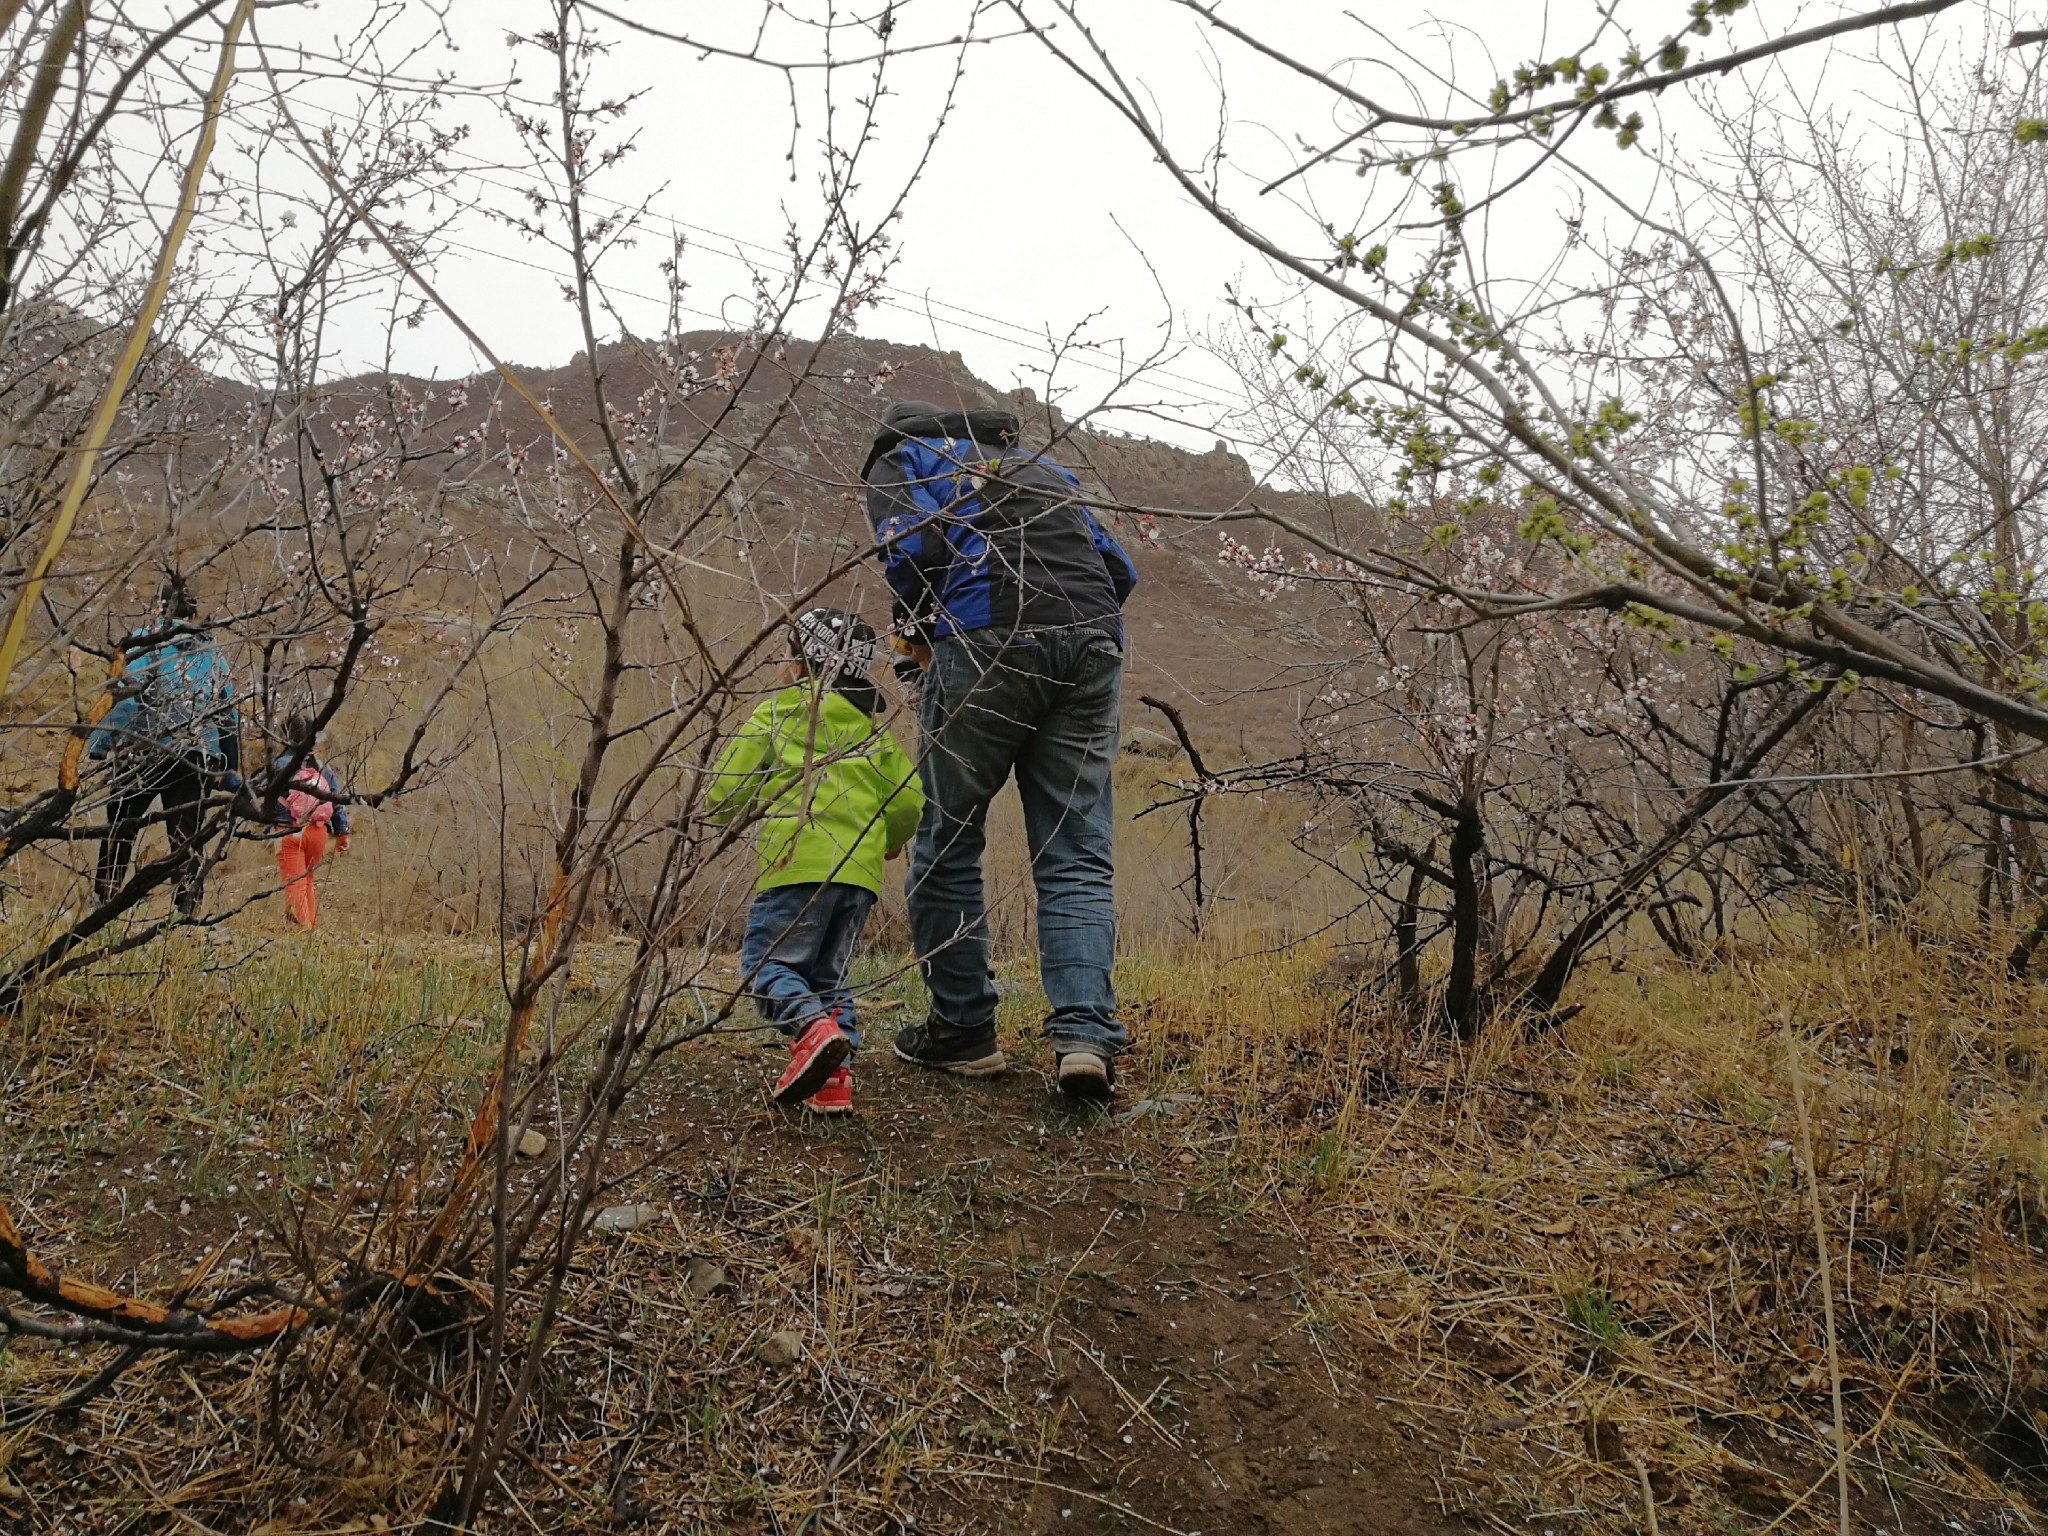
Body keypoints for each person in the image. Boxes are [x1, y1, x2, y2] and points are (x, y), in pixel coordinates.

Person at [863, 400, 1138, 1101]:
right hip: (1092, 638)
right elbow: (1119, 571)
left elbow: (914, 550)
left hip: (986, 640)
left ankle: (963, 1030)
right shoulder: (1044, 471)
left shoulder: (905, 456)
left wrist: (921, 632)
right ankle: (1084, 1036)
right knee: (1075, 850)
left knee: (947, 838)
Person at [706, 608, 924, 1115]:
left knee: (768, 968)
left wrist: (729, 812)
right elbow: (911, 800)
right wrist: (888, 840)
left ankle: (813, 1029)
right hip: (858, 877)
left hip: (794, 866)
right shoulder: (873, 733)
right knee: (828, 976)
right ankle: (832, 1083)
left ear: (801, 665)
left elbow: (724, 793)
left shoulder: (778, 713)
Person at [86, 576, 241, 916]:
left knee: (121, 825)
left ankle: (105, 898)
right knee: (186, 837)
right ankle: (186, 908)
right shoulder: (211, 653)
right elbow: (228, 714)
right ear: (193, 610)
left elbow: (123, 701)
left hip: (141, 751)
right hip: (197, 756)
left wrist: (99, 744)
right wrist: (230, 767)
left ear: (158, 607)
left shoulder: (143, 644)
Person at [273, 713, 352, 929]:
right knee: (307, 881)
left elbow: (260, 793)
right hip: (319, 831)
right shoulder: (322, 767)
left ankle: (301, 932)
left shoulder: (279, 765)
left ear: (284, 737)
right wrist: (343, 831)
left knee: (294, 883)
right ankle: (310, 928)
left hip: (289, 830)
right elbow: (335, 800)